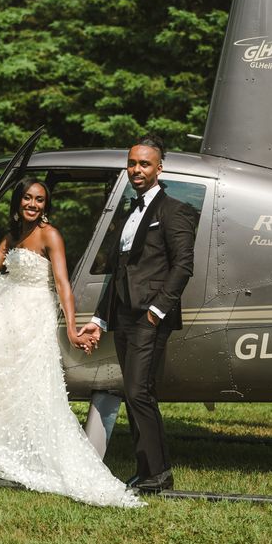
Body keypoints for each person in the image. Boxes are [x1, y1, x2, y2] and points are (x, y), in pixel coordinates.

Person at [0, 177, 144, 508]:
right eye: (28, 199)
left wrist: (73, 330)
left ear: (47, 205)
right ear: (18, 202)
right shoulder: (11, 237)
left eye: (40, 200)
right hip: (5, 303)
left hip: (31, 312)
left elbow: (62, 285)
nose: (33, 204)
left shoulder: (50, 235)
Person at [78, 135, 195, 493]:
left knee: (138, 391)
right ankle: (150, 471)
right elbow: (119, 272)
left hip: (148, 317)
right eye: (132, 163)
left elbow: (183, 266)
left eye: (144, 164)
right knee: (136, 392)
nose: (136, 170)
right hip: (125, 317)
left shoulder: (175, 210)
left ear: (160, 168)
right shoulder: (131, 212)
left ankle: (157, 474)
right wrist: (100, 319)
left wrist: (157, 312)